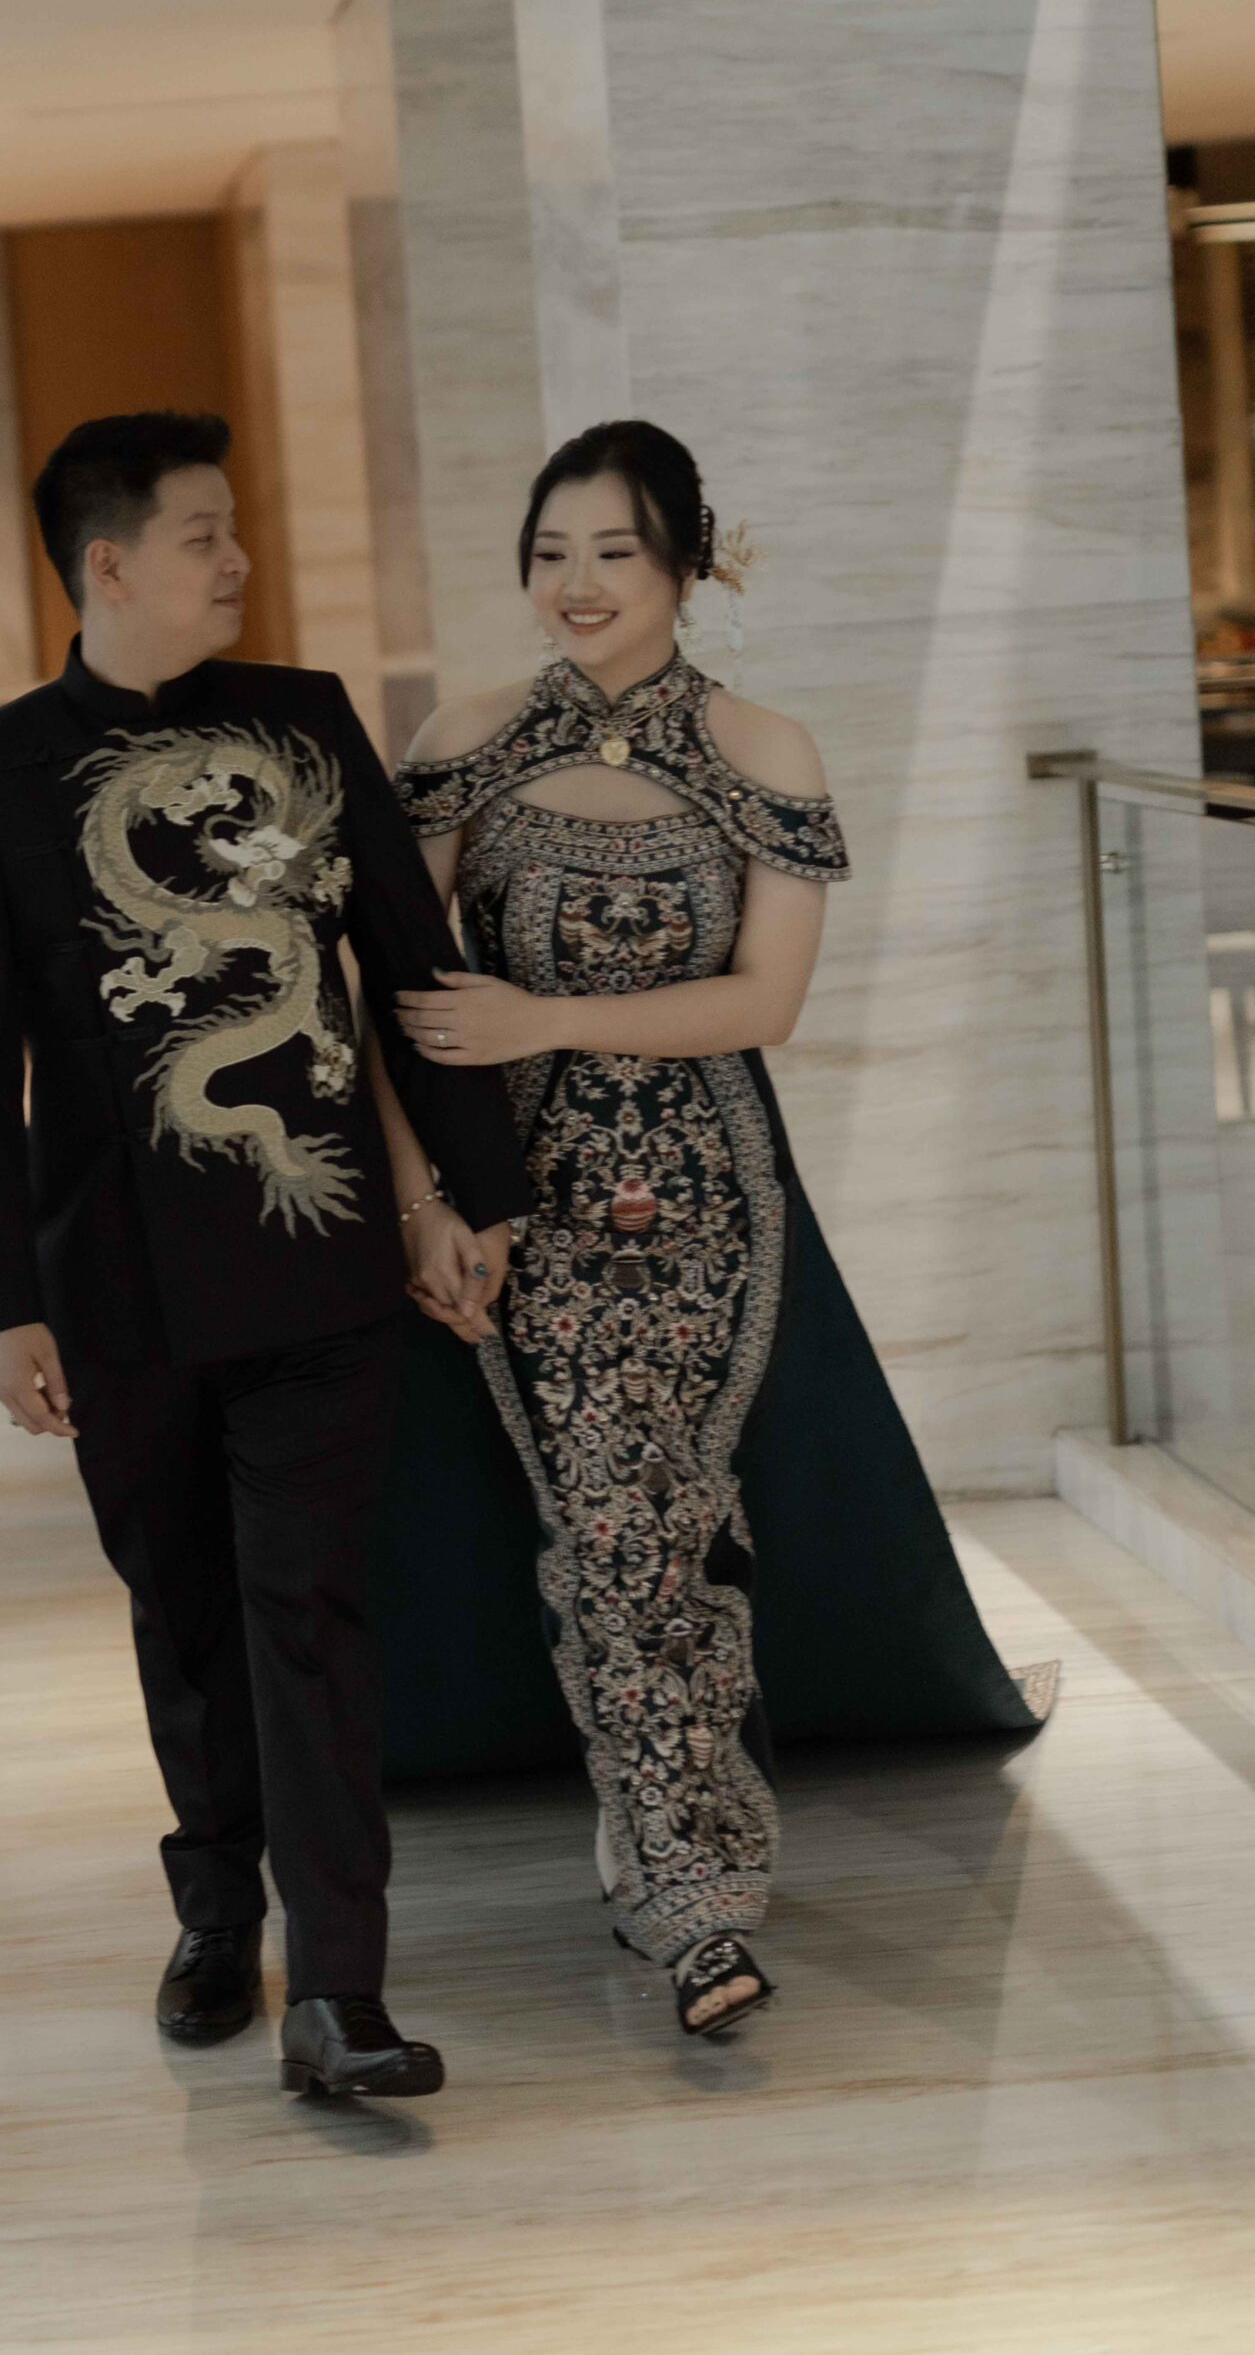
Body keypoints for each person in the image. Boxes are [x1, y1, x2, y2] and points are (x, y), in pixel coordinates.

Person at [370, 419, 1051, 2040]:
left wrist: (541, 1017)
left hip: (707, 1205)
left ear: (687, 559)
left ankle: (677, 1863)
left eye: (613, 551)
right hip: (522, 1208)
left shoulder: (765, 750)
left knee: (667, 1521)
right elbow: (387, 996)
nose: (578, 583)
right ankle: (688, 1889)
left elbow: (766, 1001)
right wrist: (422, 1202)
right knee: (612, 1525)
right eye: (550, 553)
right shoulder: (466, 742)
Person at [0, 410, 532, 2100]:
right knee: (184, 1612)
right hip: (118, 1286)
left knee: (310, 1612)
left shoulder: (304, 724)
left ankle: (340, 1991)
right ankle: (213, 1910)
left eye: (234, 529)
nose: (238, 559)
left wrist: (471, 1194)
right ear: (109, 565)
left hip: (316, 1256)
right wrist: (5, 1306)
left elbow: (411, 963)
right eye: (205, 535)